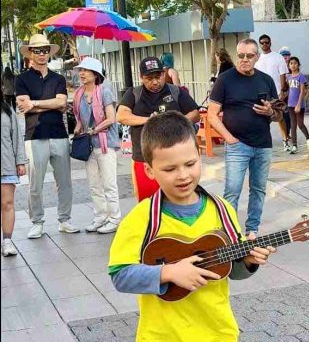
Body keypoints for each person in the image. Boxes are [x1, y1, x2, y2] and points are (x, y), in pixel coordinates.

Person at [108, 111, 276, 341]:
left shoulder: (223, 210)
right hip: (163, 336)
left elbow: (228, 270)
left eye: (190, 164)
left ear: (199, 155)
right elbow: (120, 275)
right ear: (149, 170)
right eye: (170, 169)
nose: (183, 175)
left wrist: (247, 261)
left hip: (218, 332)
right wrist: (169, 272)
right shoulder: (141, 218)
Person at [207, 38, 281, 239]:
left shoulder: (265, 80)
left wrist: (270, 112)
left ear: (257, 57)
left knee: (258, 190)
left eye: (249, 56)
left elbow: (279, 115)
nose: (245, 60)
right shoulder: (225, 79)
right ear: (236, 55)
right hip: (237, 145)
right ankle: (230, 233)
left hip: (263, 144)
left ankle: (252, 231)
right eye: (241, 56)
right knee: (232, 191)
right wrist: (229, 139)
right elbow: (212, 114)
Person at [15, 34, 79, 238]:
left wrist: (35, 103)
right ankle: (37, 221)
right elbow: (24, 106)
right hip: (34, 135)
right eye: (37, 51)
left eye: (45, 50)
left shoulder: (58, 78)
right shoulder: (21, 79)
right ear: (30, 54)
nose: (42, 54)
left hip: (59, 134)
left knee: (65, 181)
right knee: (35, 183)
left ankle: (65, 219)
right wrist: (45, 104)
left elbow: (62, 103)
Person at [117, 57, 200, 201]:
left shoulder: (176, 91)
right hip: (143, 158)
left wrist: (173, 121)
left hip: (175, 158)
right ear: (141, 77)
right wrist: (150, 121)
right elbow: (122, 116)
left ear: (164, 73)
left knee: (178, 200)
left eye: (158, 77)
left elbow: (195, 114)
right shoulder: (134, 93)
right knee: (147, 202)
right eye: (149, 78)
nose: (155, 82)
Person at [72, 57, 121, 234]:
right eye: (81, 70)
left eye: (86, 70)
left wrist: (94, 130)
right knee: (94, 184)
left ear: (96, 74)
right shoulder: (78, 94)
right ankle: (101, 215)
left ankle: (114, 218)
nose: (82, 73)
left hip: (105, 143)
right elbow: (79, 118)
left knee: (109, 183)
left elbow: (111, 118)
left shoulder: (105, 92)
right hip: (88, 145)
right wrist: (78, 128)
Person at [1, 88, 27, 255]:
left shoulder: (6, 110)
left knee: (7, 203)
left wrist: (20, 161)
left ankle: (7, 241)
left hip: (6, 163)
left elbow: (16, 136)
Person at [255, 34, 290, 150]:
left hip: (276, 93)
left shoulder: (278, 57)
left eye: (266, 42)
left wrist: (281, 91)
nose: (264, 44)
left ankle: (286, 140)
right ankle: (263, 142)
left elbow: (282, 75)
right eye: (262, 43)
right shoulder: (257, 59)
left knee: (280, 118)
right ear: (259, 44)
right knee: (263, 118)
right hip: (261, 94)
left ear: (270, 43)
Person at [286, 56, 309, 154]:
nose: (293, 65)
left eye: (295, 63)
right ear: (289, 65)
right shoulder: (288, 77)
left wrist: (299, 104)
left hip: (299, 104)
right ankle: (294, 145)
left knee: (300, 123)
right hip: (290, 104)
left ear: (298, 65)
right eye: (291, 63)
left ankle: (308, 138)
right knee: (293, 125)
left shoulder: (301, 76)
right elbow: (288, 90)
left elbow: (302, 91)